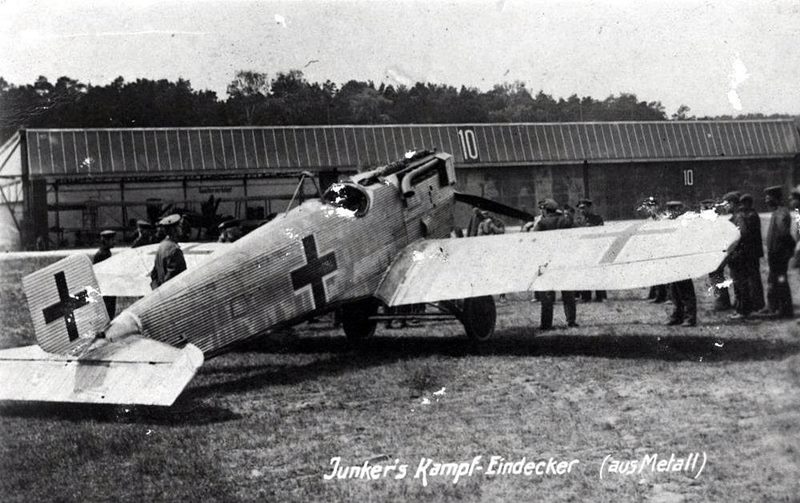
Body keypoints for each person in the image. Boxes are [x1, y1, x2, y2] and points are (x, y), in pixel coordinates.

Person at [533, 198, 577, 329]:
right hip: (564, 260)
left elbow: (534, 240)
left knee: (547, 295)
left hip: (547, 261)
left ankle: (546, 324)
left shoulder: (542, 223)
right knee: (568, 293)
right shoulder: (565, 221)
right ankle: (571, 321)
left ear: (545, 210)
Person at [760, 185, 794, 318]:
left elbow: (783, 233)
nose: (766, 200)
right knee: (775, 280)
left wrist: (787, 249)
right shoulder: (777, 212)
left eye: (768, 197)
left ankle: (784, 310)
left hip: (779, 255)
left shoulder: (781, 213)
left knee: (781, 281)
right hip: (776, 254)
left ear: (775, 198)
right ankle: (774, 307)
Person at [665, 201, 698, 326]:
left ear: (680, 209)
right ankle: (677, 315)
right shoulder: (669, 223)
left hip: (683, 261)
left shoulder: (686, 223)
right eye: (670, 210)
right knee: (674, 291)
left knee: (686, 291)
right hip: (672, 260)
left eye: (675, 209)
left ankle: (690, 317)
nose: (672, 212)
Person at [709, 193, 738, 311]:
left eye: (726, 204)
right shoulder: (732, 216)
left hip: (732, 251)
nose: (724, 206)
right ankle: (724, 301)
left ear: (732, 203)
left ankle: (722, 301)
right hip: (729, 250)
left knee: (715, 271)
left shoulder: (736, 217)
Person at [576, 198, 607, 302]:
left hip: (595, 249)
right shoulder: (578, 220)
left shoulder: (597, 218)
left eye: (584, 208)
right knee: (584, 272)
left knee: (598, 272)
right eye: (580, 208)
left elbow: (601, 232)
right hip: (583, 249)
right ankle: (585, 296)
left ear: (590, 208)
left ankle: (601, 295)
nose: (582, 210)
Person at [739, 193, 765, 311]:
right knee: (753, 278)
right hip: (752, 252)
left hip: (751, 252)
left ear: (748, 204)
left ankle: (757, 303)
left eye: (744, 204)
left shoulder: (751, 216)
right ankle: (756, 303)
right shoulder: (751, 215)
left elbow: (746, 234)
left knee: (753, 278)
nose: (742, 206)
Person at [639, 196, 668, 303]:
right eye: (647, 207)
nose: (649, 209)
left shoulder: (663, 218)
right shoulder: (649, 221)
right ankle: (658, 295)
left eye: (652, 206)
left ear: (657, 206)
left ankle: (667, 296)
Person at [150, 214, 187, 289]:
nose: (181, 229)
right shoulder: (174, 250)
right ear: (174, 230)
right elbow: (173, 277)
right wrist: (164, 290)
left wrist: (157, 290)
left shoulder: (161, 246)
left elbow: (154, 273)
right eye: (179, 226)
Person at [93, 230, 117, 317]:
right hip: (106, 289)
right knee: (108, 312)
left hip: (108, 287)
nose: (114, 242)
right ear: (106, 241)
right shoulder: (102, 254)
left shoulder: (106, 252)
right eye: (112, 240)